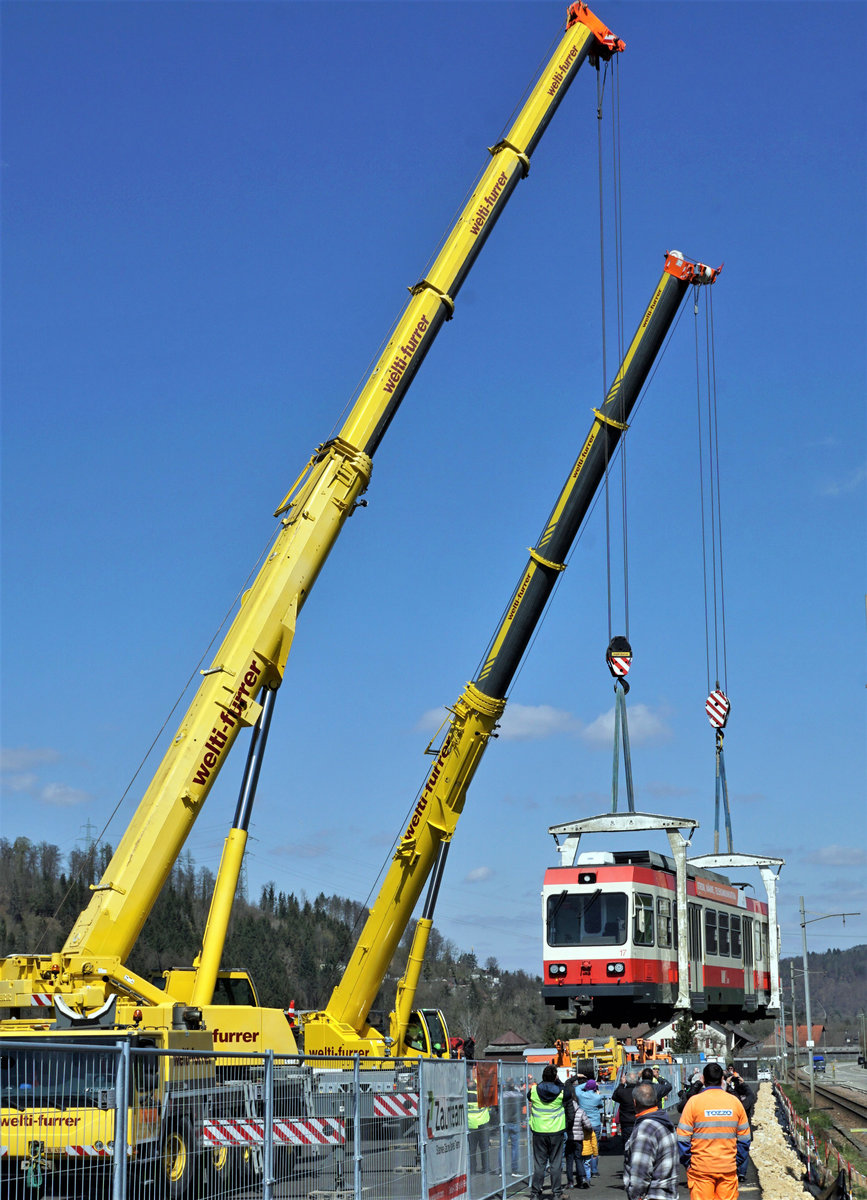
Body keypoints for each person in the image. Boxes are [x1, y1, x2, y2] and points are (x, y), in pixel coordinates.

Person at [676, 1062, 751, 1199]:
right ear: (722, 1079)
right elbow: (745, 1139)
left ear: (703, 1079)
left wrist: (688, 1163)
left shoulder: (693, 1102)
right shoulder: (735, 1103)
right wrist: (736, 1161)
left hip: (700, 1169)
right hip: (728, 1168)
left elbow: (682, 1138)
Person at [622, 1082, 680, 1200]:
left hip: (652, 1195)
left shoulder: (645, 1130)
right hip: (669, 1193)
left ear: (634, 1102)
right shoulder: (665, 1122)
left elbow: (640, 1175)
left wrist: (635, 1196)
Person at [528, 1064, 569, 1200]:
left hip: (538, 1131)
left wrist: (544, 1081)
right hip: (556, 1132)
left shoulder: (533, 1090)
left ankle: (535, 1193)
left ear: (543, 1077)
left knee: (539, 1164)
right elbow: (567, 1091)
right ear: (555, 1077)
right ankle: (557, 1193)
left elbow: (532, 1094)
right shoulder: (562, 1092)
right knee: (556, 1163)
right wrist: (557, 1081)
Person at [577, 1079, 605, 1179]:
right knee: (595, 1146)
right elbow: (600, 1105)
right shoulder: (597, 1097)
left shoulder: (581, 1095)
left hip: (583, 1123)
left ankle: (584, 1169)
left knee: (583, 1144)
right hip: (595, 1123)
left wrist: (587, 1084)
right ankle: (594, 1170)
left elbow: (577, 1088)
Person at [565, 1100, 593, 1189]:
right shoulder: (581, 1111)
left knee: (569, 1161)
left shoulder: (565, 1111)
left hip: (569, 1139)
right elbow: (588, 1126)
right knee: (578, 1159)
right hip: (579, 1139)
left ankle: (570, 1182)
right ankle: (582, 1179)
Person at [501, 1077, 524, 1178]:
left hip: (504, 1122)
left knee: (502, 1148)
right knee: (515, 1148)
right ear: (513, 1085)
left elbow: (496, 1108)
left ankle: (501, 1171)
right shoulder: (518, 1095)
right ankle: (514, 1170)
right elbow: (523, 1102)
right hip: (515, 1122)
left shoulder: (501, 1095)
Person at [467, 1082, 491, 1173]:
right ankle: (486, 1168)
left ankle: (472, 1169)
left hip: (470, 1124)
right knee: (484, 1148)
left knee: (472, 1149)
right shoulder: (482, 1095)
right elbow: (488, 1108)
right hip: (483, 1123)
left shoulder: (465, 1095)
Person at [612, 1071, 640, 1145]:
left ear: (626, 1081)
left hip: (626, 1122)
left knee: (627, 1144)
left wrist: (621, 1084)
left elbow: (614, 1096)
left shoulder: (622, 1092)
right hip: (638, 1121)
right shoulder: (640, 1092)